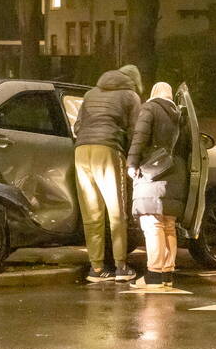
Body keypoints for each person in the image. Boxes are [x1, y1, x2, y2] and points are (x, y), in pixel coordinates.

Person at [74, 64, 142, 283]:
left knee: (91, 212)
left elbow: (77, 127)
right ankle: (121, 266)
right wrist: (135, 159)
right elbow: (135, 132)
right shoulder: (130, 96)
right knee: (116, 210)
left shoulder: (89, 94)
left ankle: (96, 269)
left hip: (82, 151)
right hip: (108, 149)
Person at [126, 82, 186, 290]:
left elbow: (139, 137)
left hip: (153, 172)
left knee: (152, 224)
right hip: (175, 174)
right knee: (168, 224)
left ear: (153, 94)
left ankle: (154, 274)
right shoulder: (180, 115)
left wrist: (132, 163)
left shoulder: (149, 109)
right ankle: (167, 273)